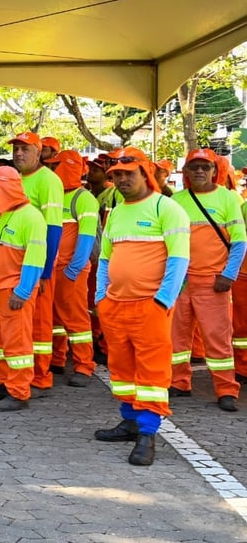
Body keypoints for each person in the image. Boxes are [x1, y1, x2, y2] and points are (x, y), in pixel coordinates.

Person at [93, 147, 190, 466]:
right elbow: (106, 257)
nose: (121, 179)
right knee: (122, 371)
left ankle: (148, 434)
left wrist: (163, 300)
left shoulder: (167, 208)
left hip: (150, 307)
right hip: (116, 307)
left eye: (128, 173)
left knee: (151, 372)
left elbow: (179, 259)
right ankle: (131, 422)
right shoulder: (118, 211)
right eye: (116, 175)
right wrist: (100, 297)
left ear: (145, 173)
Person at [169, 148, 244, 411]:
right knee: (177, 338)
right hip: (181, 282)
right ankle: (179, 383)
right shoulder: (176, 201)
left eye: (205, 167)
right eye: (194, 166)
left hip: (214, 282)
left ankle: (226, 390)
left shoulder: (227, 198)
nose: (200, 171)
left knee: (217, 339)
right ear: (186, 171)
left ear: (215, 171)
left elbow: (239, 242)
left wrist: (228, 274)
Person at [0, 165, 47, 412]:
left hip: (14, 291)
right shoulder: (5, 215)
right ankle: (4, 382)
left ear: (5, 187)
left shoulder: (32, 217)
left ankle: (18, 393)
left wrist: (23, 292)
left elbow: (35, 259)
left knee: (17, 344)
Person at [9, 131, 65, 396]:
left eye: (24, 149)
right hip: (15, 264)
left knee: (41, 322)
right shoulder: (16, 178)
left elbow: (54, 228)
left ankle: (41, 377)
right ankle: (19, 374)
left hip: (37, 264)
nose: (18, 153)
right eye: (16, 149)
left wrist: (44, 272)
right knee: (20, 322)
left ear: (39, 150)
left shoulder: (48, 180)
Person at [48, 150, 99, 386]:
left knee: (77, 320)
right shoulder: (54, 195)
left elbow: (86, 239)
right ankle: (57, 359)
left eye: (55, 166)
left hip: (71, 271)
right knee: (55, 318)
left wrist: (74, 269)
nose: (50, 169)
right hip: (53, 269)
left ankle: (84, 365)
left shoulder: (84, 198)